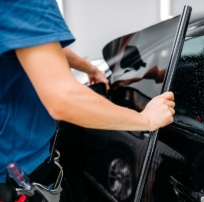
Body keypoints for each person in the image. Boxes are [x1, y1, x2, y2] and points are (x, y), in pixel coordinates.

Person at [0, 0, 175, 201]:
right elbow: (64, 99)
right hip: (15, 181)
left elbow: (39, 43)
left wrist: (90, 69)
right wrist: (146, 120)